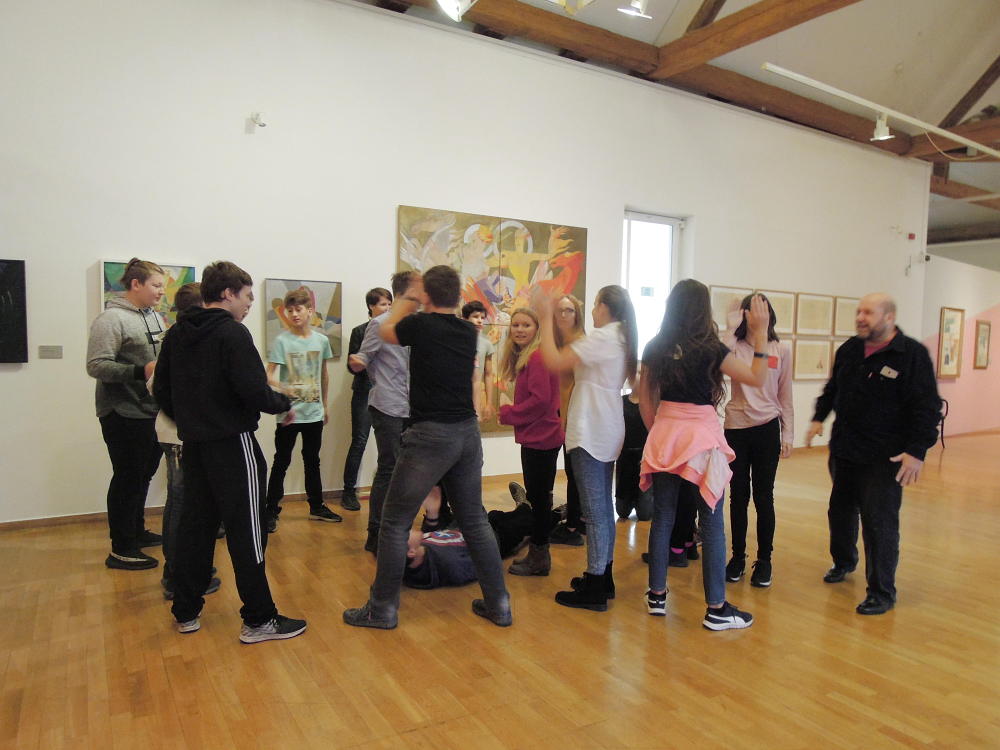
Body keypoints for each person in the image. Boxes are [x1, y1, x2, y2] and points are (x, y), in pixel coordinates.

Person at [343, 266, 511, 629]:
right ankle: (499, 604)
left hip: (431, 435)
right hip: (467, 434)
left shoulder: (419, 325)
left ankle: (381, 610)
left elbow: (385, 330)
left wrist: (408, 298)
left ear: (428, 296)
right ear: (458, 297)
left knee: (394, 523)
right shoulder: (467, 331)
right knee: (474, 521)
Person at [154, 261, 306, 643]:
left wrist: (192, 419)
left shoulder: (177, 334)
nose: (250, 303)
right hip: (233, 445)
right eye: (247, 296)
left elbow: (162, 391)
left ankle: (186, 611)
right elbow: (254, 390)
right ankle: (259, 619)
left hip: (195, 446)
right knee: (247, 530)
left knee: (196, 528)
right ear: (227, 293)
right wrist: (283, 403)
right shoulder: (233, 334)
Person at [639, 279, 769, 630]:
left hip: (666, 433)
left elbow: (645, 398)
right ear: (702, 309)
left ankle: (657, 595)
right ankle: (716, 608)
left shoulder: (656, 346)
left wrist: (659, 432)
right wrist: (760, 334)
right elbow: (756, 378)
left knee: (663, 517)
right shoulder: (711, 348)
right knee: (711, 521)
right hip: (701, 437)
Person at [806, 293, 940, 615]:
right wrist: (818, 418)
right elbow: (833, 390)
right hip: (845, 450)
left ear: (889, 317)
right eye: (859, 312)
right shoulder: (850, 350)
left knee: (879, 524)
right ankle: (844, 561)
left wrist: (916, 452)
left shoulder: (911, 355)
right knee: (840, 512)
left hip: (884, 457)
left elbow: (927, 408)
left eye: (868, 312)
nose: (860, 317)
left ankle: (882, 592)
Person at [534, 285, 638, 611]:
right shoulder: (618, 336)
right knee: (602, 509)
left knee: (594, 512)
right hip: (605, 426)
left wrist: (544, 316)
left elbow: (554, 360)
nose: (592, 311)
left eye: (595, 305)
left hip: (592, 429)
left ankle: (595, 585)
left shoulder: (605, 336)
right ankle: (602, 577)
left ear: (606, 307)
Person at [87, 258, 167, 571]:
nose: (161, 291)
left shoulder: (154, 316)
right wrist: (140, 370)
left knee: (142, 475)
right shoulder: (110, 319)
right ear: (136, 284)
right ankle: (121, 548)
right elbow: (96, 365)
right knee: (127, 478)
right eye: (156, 285)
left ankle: (136, 531)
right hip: (121, 412)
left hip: (150, 412)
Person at [146, 282, 221, 600]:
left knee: (188, 503)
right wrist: (187, 417)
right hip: (179, 435)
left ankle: (185, 570)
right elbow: (156, 385)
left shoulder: (181, 337)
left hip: (183, 433)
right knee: (181, 503)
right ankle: (176, 576)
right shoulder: (181, 339)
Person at [722, 294, 794, 588]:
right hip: (737, 428)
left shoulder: (781, 349)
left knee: (764, 496)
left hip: (767, 429)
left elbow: (785, 394)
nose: (757, 314)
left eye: (762, 309)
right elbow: (717, 361)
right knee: (738, 496)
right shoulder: (735, 347)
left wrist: (788, 433)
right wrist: (730, 327)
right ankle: (738, 556)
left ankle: (764, 560)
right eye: (752, 309)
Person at [348, 272, 417, 554]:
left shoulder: (418, 324)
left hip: (414, 407)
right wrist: (357, 362)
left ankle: (399, 531)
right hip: (387, 405)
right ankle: (376, 533)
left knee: (410, 470)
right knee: (389, 467)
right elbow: (363, 358)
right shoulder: (379, 324)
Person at [263, 288, 339, 530]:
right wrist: (283, 388)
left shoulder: (321, 341)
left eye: (299, 309)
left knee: (312, 460)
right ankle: (270, 510)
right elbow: (268, 376)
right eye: (290, 310)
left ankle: (316, 506)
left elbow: (324, 374)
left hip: (313, 412)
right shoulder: (282, 341)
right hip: (289, 414)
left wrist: (324, 405)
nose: (294, 314)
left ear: (310, 311)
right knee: (281, 461)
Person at [497, 308, 563, 576]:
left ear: (537, 329)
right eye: (516, 325)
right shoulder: (532, 356)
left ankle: (539, 555)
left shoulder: (536, 356)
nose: (520, 330)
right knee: (539, 497)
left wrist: (507, 413)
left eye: (526, 325)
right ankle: (539, 550)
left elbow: (540, 400)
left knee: (539, 498)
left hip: (542, 435)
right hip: (540, 434)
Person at [341, 287, 392, 511]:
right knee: (359, 440)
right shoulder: (359, 331)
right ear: (371, 306)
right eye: (382, 304)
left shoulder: (394, 330)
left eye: (389, 304)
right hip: (364, 392)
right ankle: (348, 491)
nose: (387, 308)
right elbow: (353, 366)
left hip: (387, 393)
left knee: (390, 446)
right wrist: (365, 360)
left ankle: (389, 491)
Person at [548, 294, 587, 547]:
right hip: (570, 414)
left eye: (569, 310)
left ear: (577, 314)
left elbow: (567, 389)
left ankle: (572, 525)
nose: (563, 315)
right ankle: (579, 519)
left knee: (575, 472)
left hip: (575, 415)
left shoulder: (577, 344)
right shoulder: (563, 343)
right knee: (576, 472)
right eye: (559, 310)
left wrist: (563, 421)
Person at [615, 378, 653, 522]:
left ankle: (646, 498)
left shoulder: (651, 403)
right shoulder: (621, 401)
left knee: (644, 515)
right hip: (625, 459)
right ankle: (631, 499)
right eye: (637, 373)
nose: (639, 378)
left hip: (644, 459)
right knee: (622, 512)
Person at [462, 300, 496, 423]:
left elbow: (488, 374)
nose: (480, 320)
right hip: (456, 398)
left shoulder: (486, 344)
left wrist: (489, 403)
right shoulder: (456, 342)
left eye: (482, 317)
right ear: (465, 319)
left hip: (475, 400)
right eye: (475, 317)